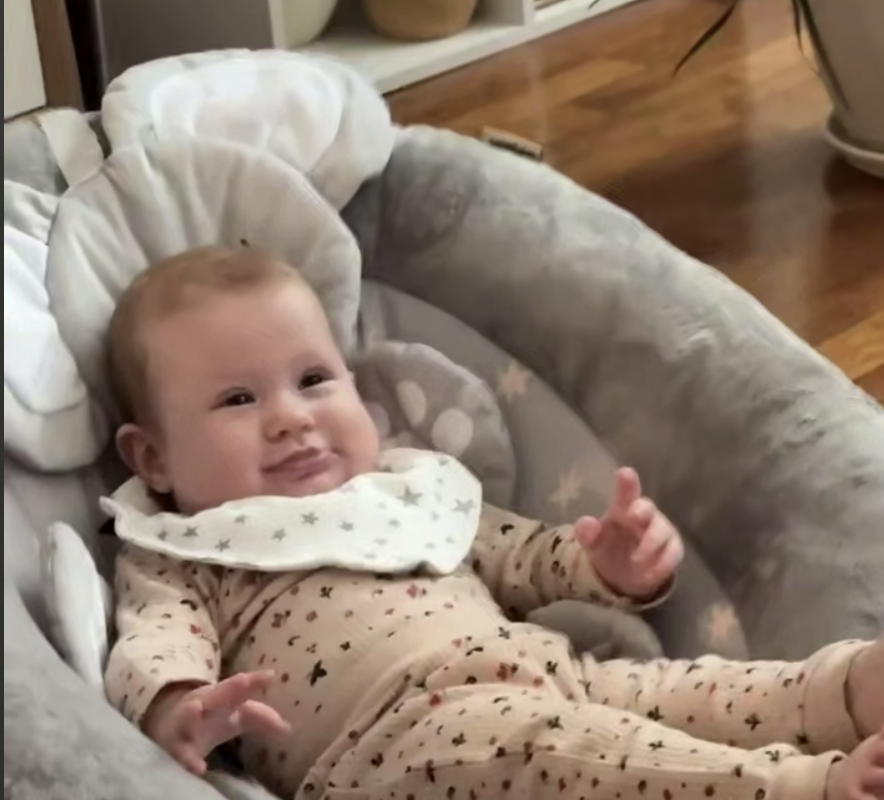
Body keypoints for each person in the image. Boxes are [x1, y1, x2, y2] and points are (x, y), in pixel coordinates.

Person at [102, 245, 883, 800]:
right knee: (574, 754)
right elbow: (156, 641)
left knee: (673, 697)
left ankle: (850, 690)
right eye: (239, 399)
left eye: (313, 379)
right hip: (391, 751)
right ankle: (797, 788)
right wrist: (179, 707)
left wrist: (607, 565)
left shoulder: (404, 489)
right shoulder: (183, 550)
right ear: (153, 457)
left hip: (549, 675)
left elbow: (525, 556)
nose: (291, 418)